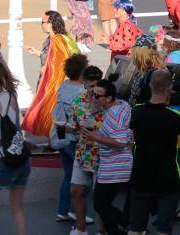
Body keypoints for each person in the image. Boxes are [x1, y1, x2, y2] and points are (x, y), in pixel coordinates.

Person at [127, 70, 180, 235]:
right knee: (163, 229)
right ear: (170, 88)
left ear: (149, 85)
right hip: (167, 179)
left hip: (141, 177)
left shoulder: (136, 112)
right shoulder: (175, 116)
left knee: (135, 228)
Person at [0, 36, 29, 235]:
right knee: (16, 209)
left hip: (3, 162)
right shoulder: (12, 95)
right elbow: (10, 78)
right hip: (22, 160)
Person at [84, 79, 132, 235]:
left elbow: (119, 142)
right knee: (103, 203)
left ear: (109, 98)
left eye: (97, 96)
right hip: (117, 164)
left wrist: (95, 137)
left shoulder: (113, 115)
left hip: (114, 166)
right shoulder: (122, 105)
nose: (93, 98)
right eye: (92, 93)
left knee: (100, 204)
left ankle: (127, 226)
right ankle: (129, 225)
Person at [22, 11, 80, 137]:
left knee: (53, 111)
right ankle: (53, 139)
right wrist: (37, 53)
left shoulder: (58, 39)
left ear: (50, 24)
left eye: (42, 22)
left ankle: (56, 141)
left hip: (56, 82)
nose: (41, 25)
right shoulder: (55, 38)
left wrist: (46, 69)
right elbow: (51, 57)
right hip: (51, 79)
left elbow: (59, 62)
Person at [68, 65, 103, 235]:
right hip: (83, 152)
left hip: (103, 154)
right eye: (90, 87)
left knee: (101, 196)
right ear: (84, 85)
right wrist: (64, 128)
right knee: (76, 190)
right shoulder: (77, 102)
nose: (93, 91)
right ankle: (81, 229)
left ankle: (103, 230)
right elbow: (72, 125)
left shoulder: (107, 101)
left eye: (96, 86)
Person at [53, 54, 88, 223]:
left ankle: (63, 210)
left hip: (60, 136)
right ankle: (76, 209)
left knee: (68, 176)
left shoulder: (63, 86)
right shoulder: (82, 92)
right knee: (82, 178)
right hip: (73, 138)